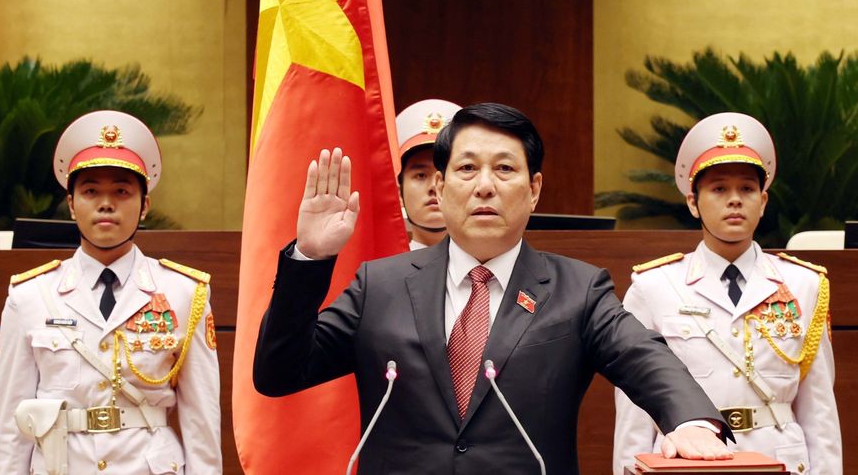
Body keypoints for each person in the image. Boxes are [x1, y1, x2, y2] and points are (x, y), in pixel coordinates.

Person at [253, 102, 733, 474]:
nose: (485, 186)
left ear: (534, 189)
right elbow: (278, 373)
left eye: (504, 169)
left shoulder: (577, 290)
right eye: (467, 169)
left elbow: (644, 356)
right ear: (440, 187)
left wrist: (690, 421)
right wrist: (309, 258)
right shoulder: (380, 285)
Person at [613, 112, 841, 475]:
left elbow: (819, 409)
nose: (734, 200)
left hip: (780, 460)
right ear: (693, 202)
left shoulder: (804, 284)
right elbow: (635, 412)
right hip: (687, 463)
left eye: (747, 189)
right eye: (719, 189)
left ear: (763, 201)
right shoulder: (654, 287)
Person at [0, 110, 221, 474]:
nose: (106, 203)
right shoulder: (30, 296)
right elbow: (13, 425)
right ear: (71, 205)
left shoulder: (183, 293)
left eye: (121, 191)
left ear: (144, 206)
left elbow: (201, 419)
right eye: (90, 191)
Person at [395, 99, 462, 250]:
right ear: (399, 192)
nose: (434, 186)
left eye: (444, 174)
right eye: (421, 175)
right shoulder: (377, 265)